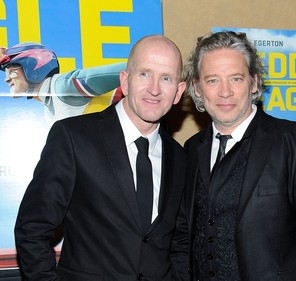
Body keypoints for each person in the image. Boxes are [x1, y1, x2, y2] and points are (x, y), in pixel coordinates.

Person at [172, 31, 296, 280]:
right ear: (197, 89)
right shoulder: (190, 150)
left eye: (236, 79)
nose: (225, 92)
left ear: (253, 83)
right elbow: (182, 238)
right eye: (212, 80)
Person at [14, 35, 187, 280]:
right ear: (125, 81)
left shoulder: (180, 158)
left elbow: (179, 242)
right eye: (144, 74)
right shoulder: (73, 138)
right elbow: (32, 229)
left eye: (166, 78)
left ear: (178, 91)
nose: (155, 88)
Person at [0, 42, 125, 124]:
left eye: (11, 71)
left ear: (33, 66)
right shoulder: (48, 105)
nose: (7, 79)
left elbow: (129, 68)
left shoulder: (61, 87)